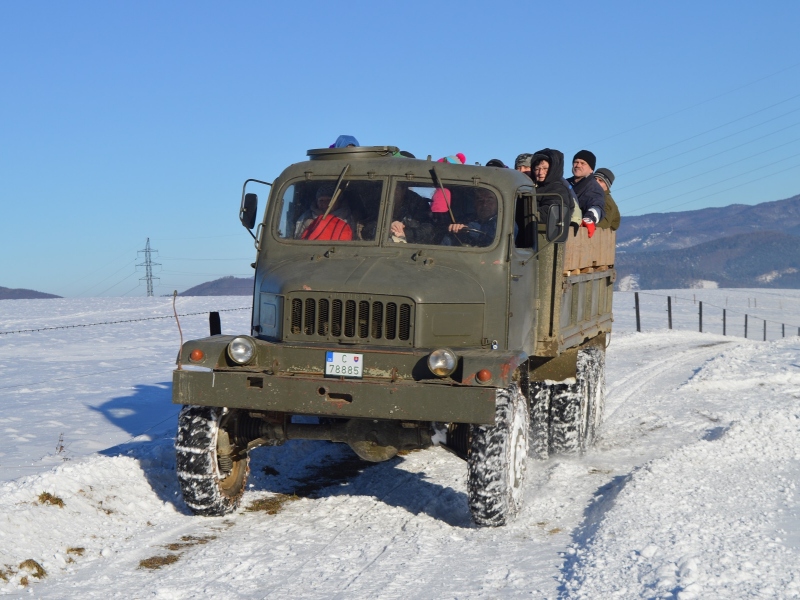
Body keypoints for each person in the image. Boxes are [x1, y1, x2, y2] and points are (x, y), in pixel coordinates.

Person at [530, 149, 576, 222]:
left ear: (552, 169)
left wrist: (524, 213)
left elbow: (552, 213)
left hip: (545, 231)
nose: (540, 172)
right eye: (537, 169)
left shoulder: (558, 189)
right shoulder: (532, 187)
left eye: (545, 168)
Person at [567, 150, 605, 238]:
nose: (578, 165)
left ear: (591, 169)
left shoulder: (593, 188)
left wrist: (589, 218)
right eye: (576, 162)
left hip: (577, 234)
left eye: (583, 163)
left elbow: (597, 205)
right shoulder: (565, 183)